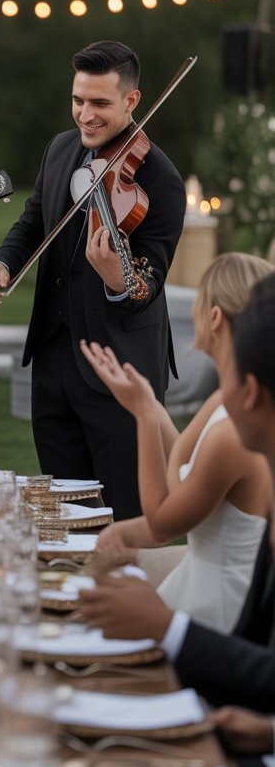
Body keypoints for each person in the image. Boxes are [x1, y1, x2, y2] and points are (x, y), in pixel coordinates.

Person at [79, 272, 275, 767]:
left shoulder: (236, 439)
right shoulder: (229, 412)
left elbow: (164, 517)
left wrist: (167, 628)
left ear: (251, 392)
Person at [0, 40, 186, 519]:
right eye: (78, 100)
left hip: (121, 369)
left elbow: (148, 283)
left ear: (132, 102)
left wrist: (120, 279)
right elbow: (33, 221)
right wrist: (4, 262)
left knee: (123, 514)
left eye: (100, 104)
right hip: (54, 363)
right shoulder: (60, 148)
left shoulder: (161, 180)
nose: (85, 115)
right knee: (64, 511)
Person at [80, 252, 273, 632]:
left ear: (214, 318)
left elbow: (162, 519)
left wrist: (143, 417)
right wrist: (149, 403)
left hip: (217, 609)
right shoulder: (225, 401)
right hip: (199, 579)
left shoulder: (232, 432)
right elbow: (187, 454)